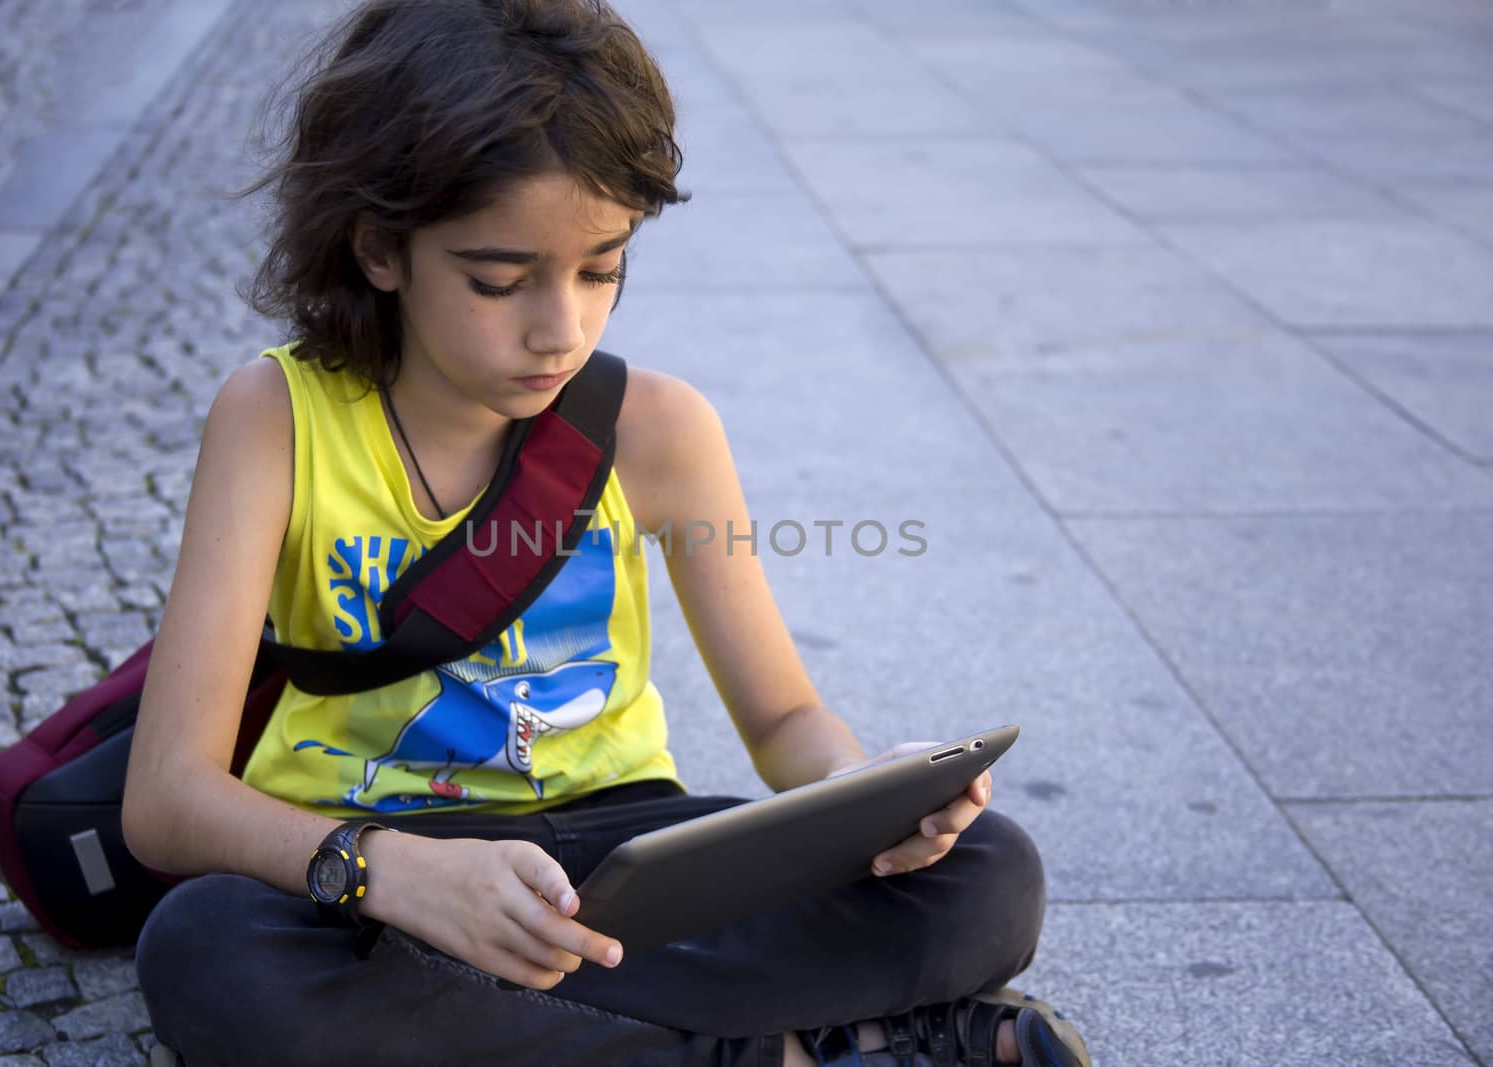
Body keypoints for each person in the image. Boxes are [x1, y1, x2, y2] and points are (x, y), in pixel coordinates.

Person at [123, 1, 1089, 1064]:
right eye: (499, 280)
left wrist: (869, 800)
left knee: (988, 874)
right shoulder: (275, 422)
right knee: (209, 949)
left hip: (627, 858)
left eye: (601, 268)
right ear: (379, 247)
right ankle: (828, 1043)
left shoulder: (658, 428)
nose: (562, 328)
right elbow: (168, 797)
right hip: (380, 879)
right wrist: (391, 871)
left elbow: (782, 715)